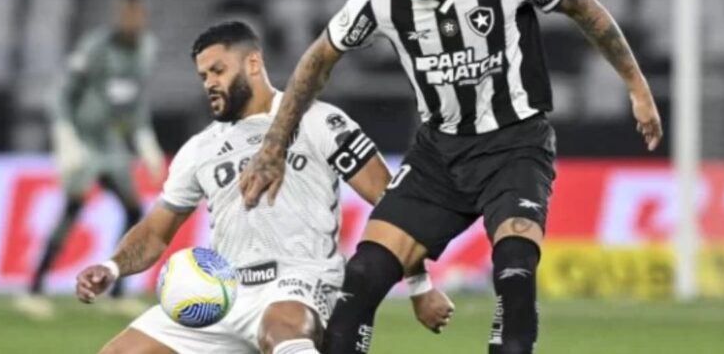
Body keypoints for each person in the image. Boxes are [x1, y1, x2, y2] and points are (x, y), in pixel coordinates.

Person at [240, 0, 664, 353]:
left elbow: (582, 5)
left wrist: (637, 87)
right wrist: (274, 145)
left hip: (514, 145)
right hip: (438, 156)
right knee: (362, 276)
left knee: (514, 270)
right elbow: (318, 59)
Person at [74, 21, 453, 354]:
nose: (210, 84)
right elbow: (156, 233)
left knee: (282, 330)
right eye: (204, 76)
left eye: (218, 71)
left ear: (253, 63)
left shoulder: (320, 120)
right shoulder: (199, 149)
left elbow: (390, 202)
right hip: (221, 292)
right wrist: (111, 267)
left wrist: (419, 285)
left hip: (300, 281)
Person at [14, 0, 165, 319]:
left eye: (138, 15)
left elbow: (136, 102)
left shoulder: (147, 49)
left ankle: (117, 292)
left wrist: (145, 141)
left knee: (133, 209)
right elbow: (62, 93)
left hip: (112, 143)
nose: (132, 22)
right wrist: (66, 137)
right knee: (74, 207)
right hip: (84, 139)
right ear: (118, 15)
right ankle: (34, 290)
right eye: (127, 15)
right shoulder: (95, 47)